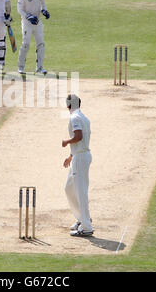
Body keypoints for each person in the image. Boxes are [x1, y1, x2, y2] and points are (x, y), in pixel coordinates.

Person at [62, 94, 93, 237]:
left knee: (81, 192)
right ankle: (82, 219)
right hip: (78, 156)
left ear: (69, 105)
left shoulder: (75, 118)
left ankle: (86, 227)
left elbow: (79, 137)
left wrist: (66, 142)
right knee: (69, 188)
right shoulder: (83, 117)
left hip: (81, 158)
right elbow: (81, 141)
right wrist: (70, 156)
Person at [17, 0, 50, 75]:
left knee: (41, 44)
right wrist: (28, 16)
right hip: (27, 23)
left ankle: (40, 67)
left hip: (37, 22)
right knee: (25, 44)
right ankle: (21, 67)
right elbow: (19, 9)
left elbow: (43, 5)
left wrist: (44, 11)